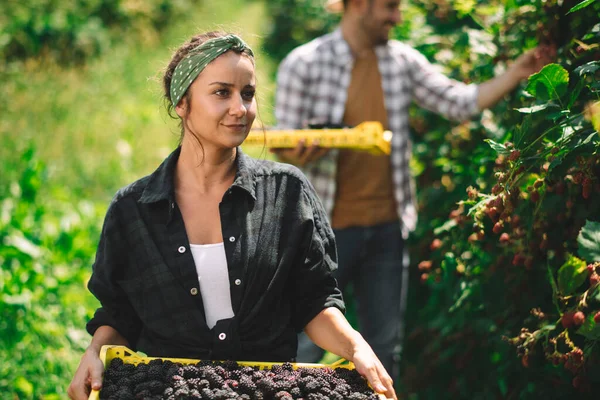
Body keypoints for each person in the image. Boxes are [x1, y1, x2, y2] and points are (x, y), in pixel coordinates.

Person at [67, 31, 397, 400]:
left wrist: (355, 348)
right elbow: (120, 313)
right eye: (221, 92)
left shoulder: (286, 192)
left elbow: (315, 301)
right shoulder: (134, 209)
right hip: (170, 391)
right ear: (182, 102)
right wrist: (94, 353)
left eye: (248, 94)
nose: (241, 109)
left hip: (267, 389)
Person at [273, 0, 556, 379]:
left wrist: (518, 72)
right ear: (358, 5)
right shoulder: (303, 64)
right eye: (389, 6)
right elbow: (286, 151)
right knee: (304, 344)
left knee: (383, 347)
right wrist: (304, 147)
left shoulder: (401, 61)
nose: (397, 17)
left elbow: (458, 102)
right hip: (322, 235)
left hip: (387, 229)